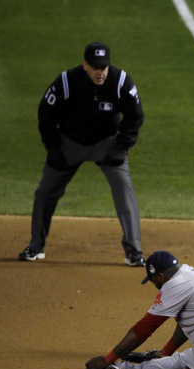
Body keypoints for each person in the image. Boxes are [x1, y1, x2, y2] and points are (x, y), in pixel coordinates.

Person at [18, 41, 145, 266]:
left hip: (107, 143)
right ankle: (36, 247)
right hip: (70, 144)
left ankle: (134, 252)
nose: (100, 72)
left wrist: (121, 145)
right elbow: (45, 114)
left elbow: (135, 115)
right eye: (95, 67)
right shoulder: (66, 82)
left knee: (124, 191)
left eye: (103, 66)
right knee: (45, 193)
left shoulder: (121, 81)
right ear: (85, 65)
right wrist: (54, 148)